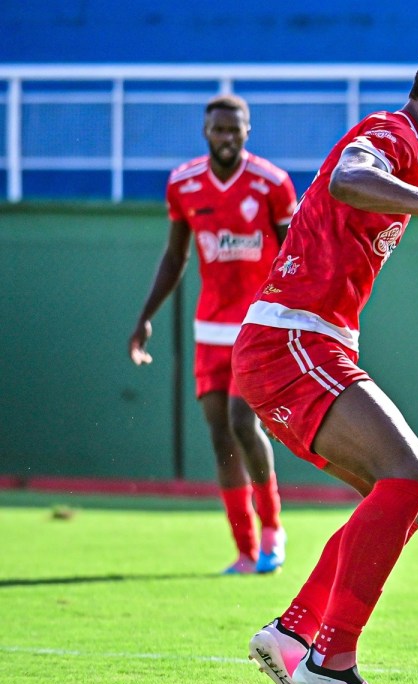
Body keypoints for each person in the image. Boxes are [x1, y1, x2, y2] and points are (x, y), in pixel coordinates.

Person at [237, 49, 418, 684]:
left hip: (296, 346)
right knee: (410, 473)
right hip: (293, 341)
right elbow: (349, 178)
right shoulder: (393, 133)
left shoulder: (405, 150)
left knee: (401, 505)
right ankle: (331, 661)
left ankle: (293, 634)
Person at [129, 94, 296, 575]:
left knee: (244, 422)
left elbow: (294, 255)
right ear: (206, 132)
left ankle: (273, 528)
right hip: (209, 331)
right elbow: (175, 256)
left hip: (257, 328)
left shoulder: (272, 183)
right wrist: (145, 316)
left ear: (248, 131)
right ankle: (245, 550)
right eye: (218, 129)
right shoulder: (183, 184)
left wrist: (291, 319)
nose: (226, 137)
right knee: (220, 435)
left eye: (234, 129)